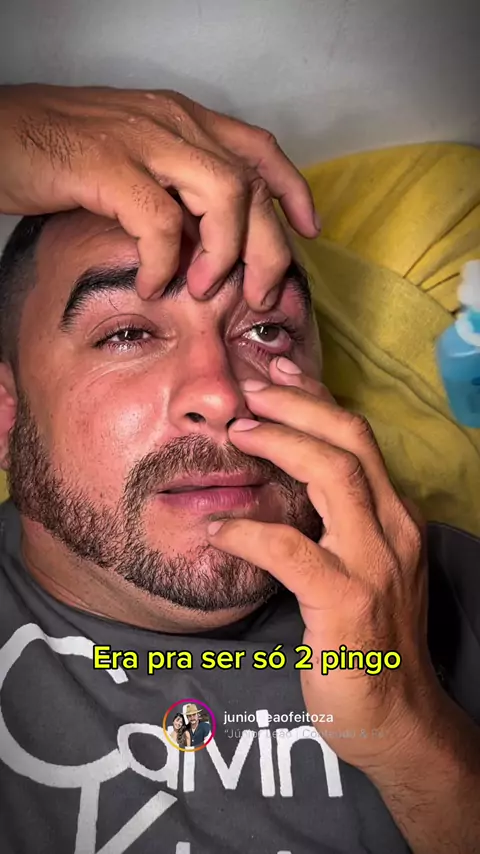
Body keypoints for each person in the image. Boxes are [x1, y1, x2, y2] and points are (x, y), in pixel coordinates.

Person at [0, 83, 478, 854]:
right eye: (127, 334)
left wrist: (411, 735)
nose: (220, 395)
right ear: (8, 412)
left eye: (265, 331)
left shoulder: (452, 584)